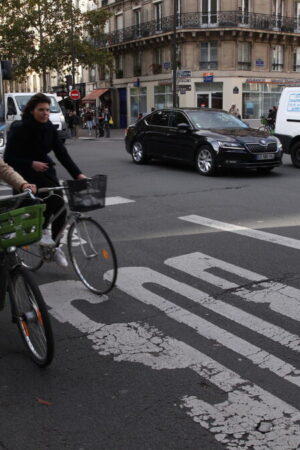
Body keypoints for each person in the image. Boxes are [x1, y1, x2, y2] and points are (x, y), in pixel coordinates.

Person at [4, 93, 87, 268]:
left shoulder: (49, 127)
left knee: (60, 208)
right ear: (32, 110)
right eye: (41, 110)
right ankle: (31, 241)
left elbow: (61, 153)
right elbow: (8, 158)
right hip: (24, 176)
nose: (45, 113)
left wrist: (77, 174)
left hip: (45, 174)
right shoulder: (20, 128)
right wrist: (30, 163)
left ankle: (53, 248)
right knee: (33, 212)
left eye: (48, 110)